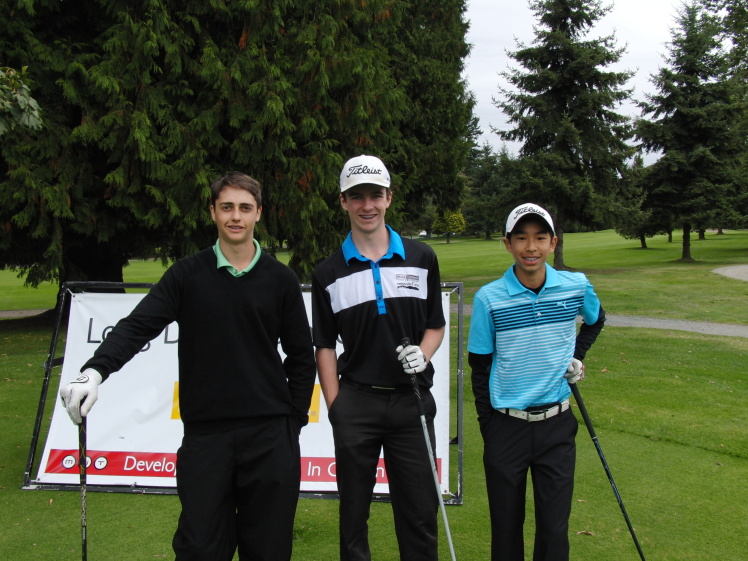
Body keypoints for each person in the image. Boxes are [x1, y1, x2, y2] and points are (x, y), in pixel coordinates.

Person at [60, 172, 316, 561]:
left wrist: (292, 422)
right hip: (206, 437)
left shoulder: (280, 279)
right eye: (226, 207)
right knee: (199, 547)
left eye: (244, 208)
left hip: (270, 436)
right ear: (212, 212)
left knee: (268, 550)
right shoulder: (186, 274)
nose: (235, 216)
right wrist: (94, 372)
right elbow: (137, 327)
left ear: (258, 213)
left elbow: (300, 356)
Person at [312, 154, 446, 561]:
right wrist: (336, 406)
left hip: (411, 401)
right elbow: (324, 345)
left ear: (389, 197)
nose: (366, 205)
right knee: (354, 516)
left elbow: (435, 325)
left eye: (375, 195)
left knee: (419, 514)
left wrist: (423, 355)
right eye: (357, 197)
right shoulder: (328, 272)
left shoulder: (421, 257)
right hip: (357, 402)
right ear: (343, 202)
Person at [467, 203, 606, 561]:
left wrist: (576, 355)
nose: (531, 247)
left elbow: (595, 319)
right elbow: (479, 366)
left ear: (553, 243)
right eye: (521, 238)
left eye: (540, 238)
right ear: (507, 244)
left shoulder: (576, 285)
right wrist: (488, 426)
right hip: (506, 425)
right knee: (506, 527)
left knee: (554, 529)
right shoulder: (488, 298)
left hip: (557, 425)